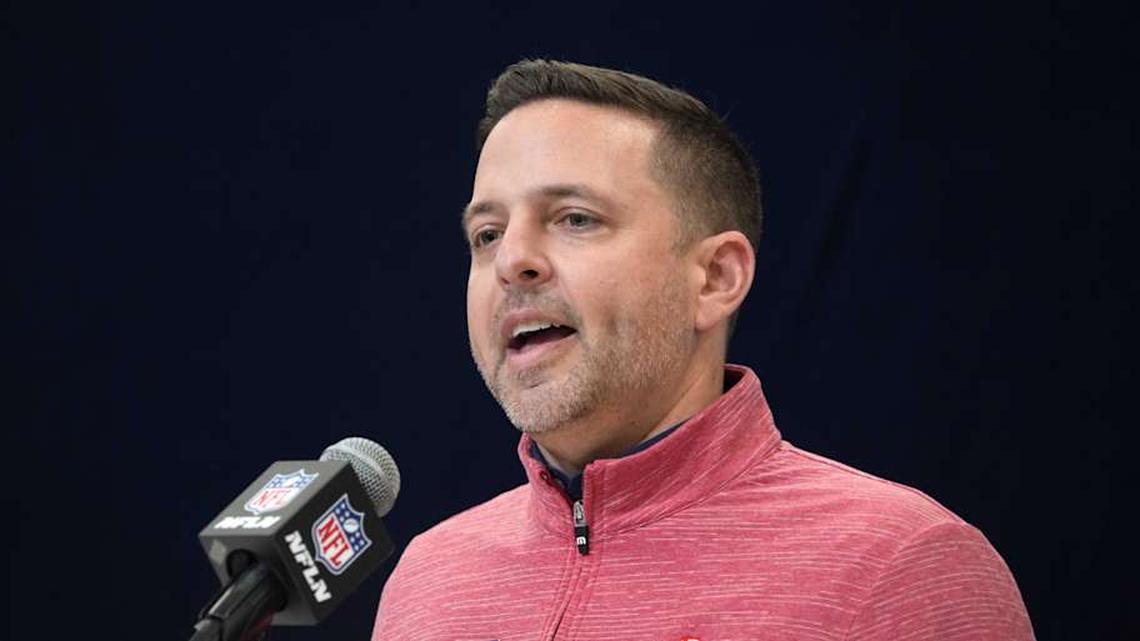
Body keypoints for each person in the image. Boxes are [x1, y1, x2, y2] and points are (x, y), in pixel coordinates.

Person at [372, 60, 1034, 640]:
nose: (512, 260)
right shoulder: (428, 581)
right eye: (487, 234)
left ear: (716, 278)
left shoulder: (904, 566)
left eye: (575, 218)